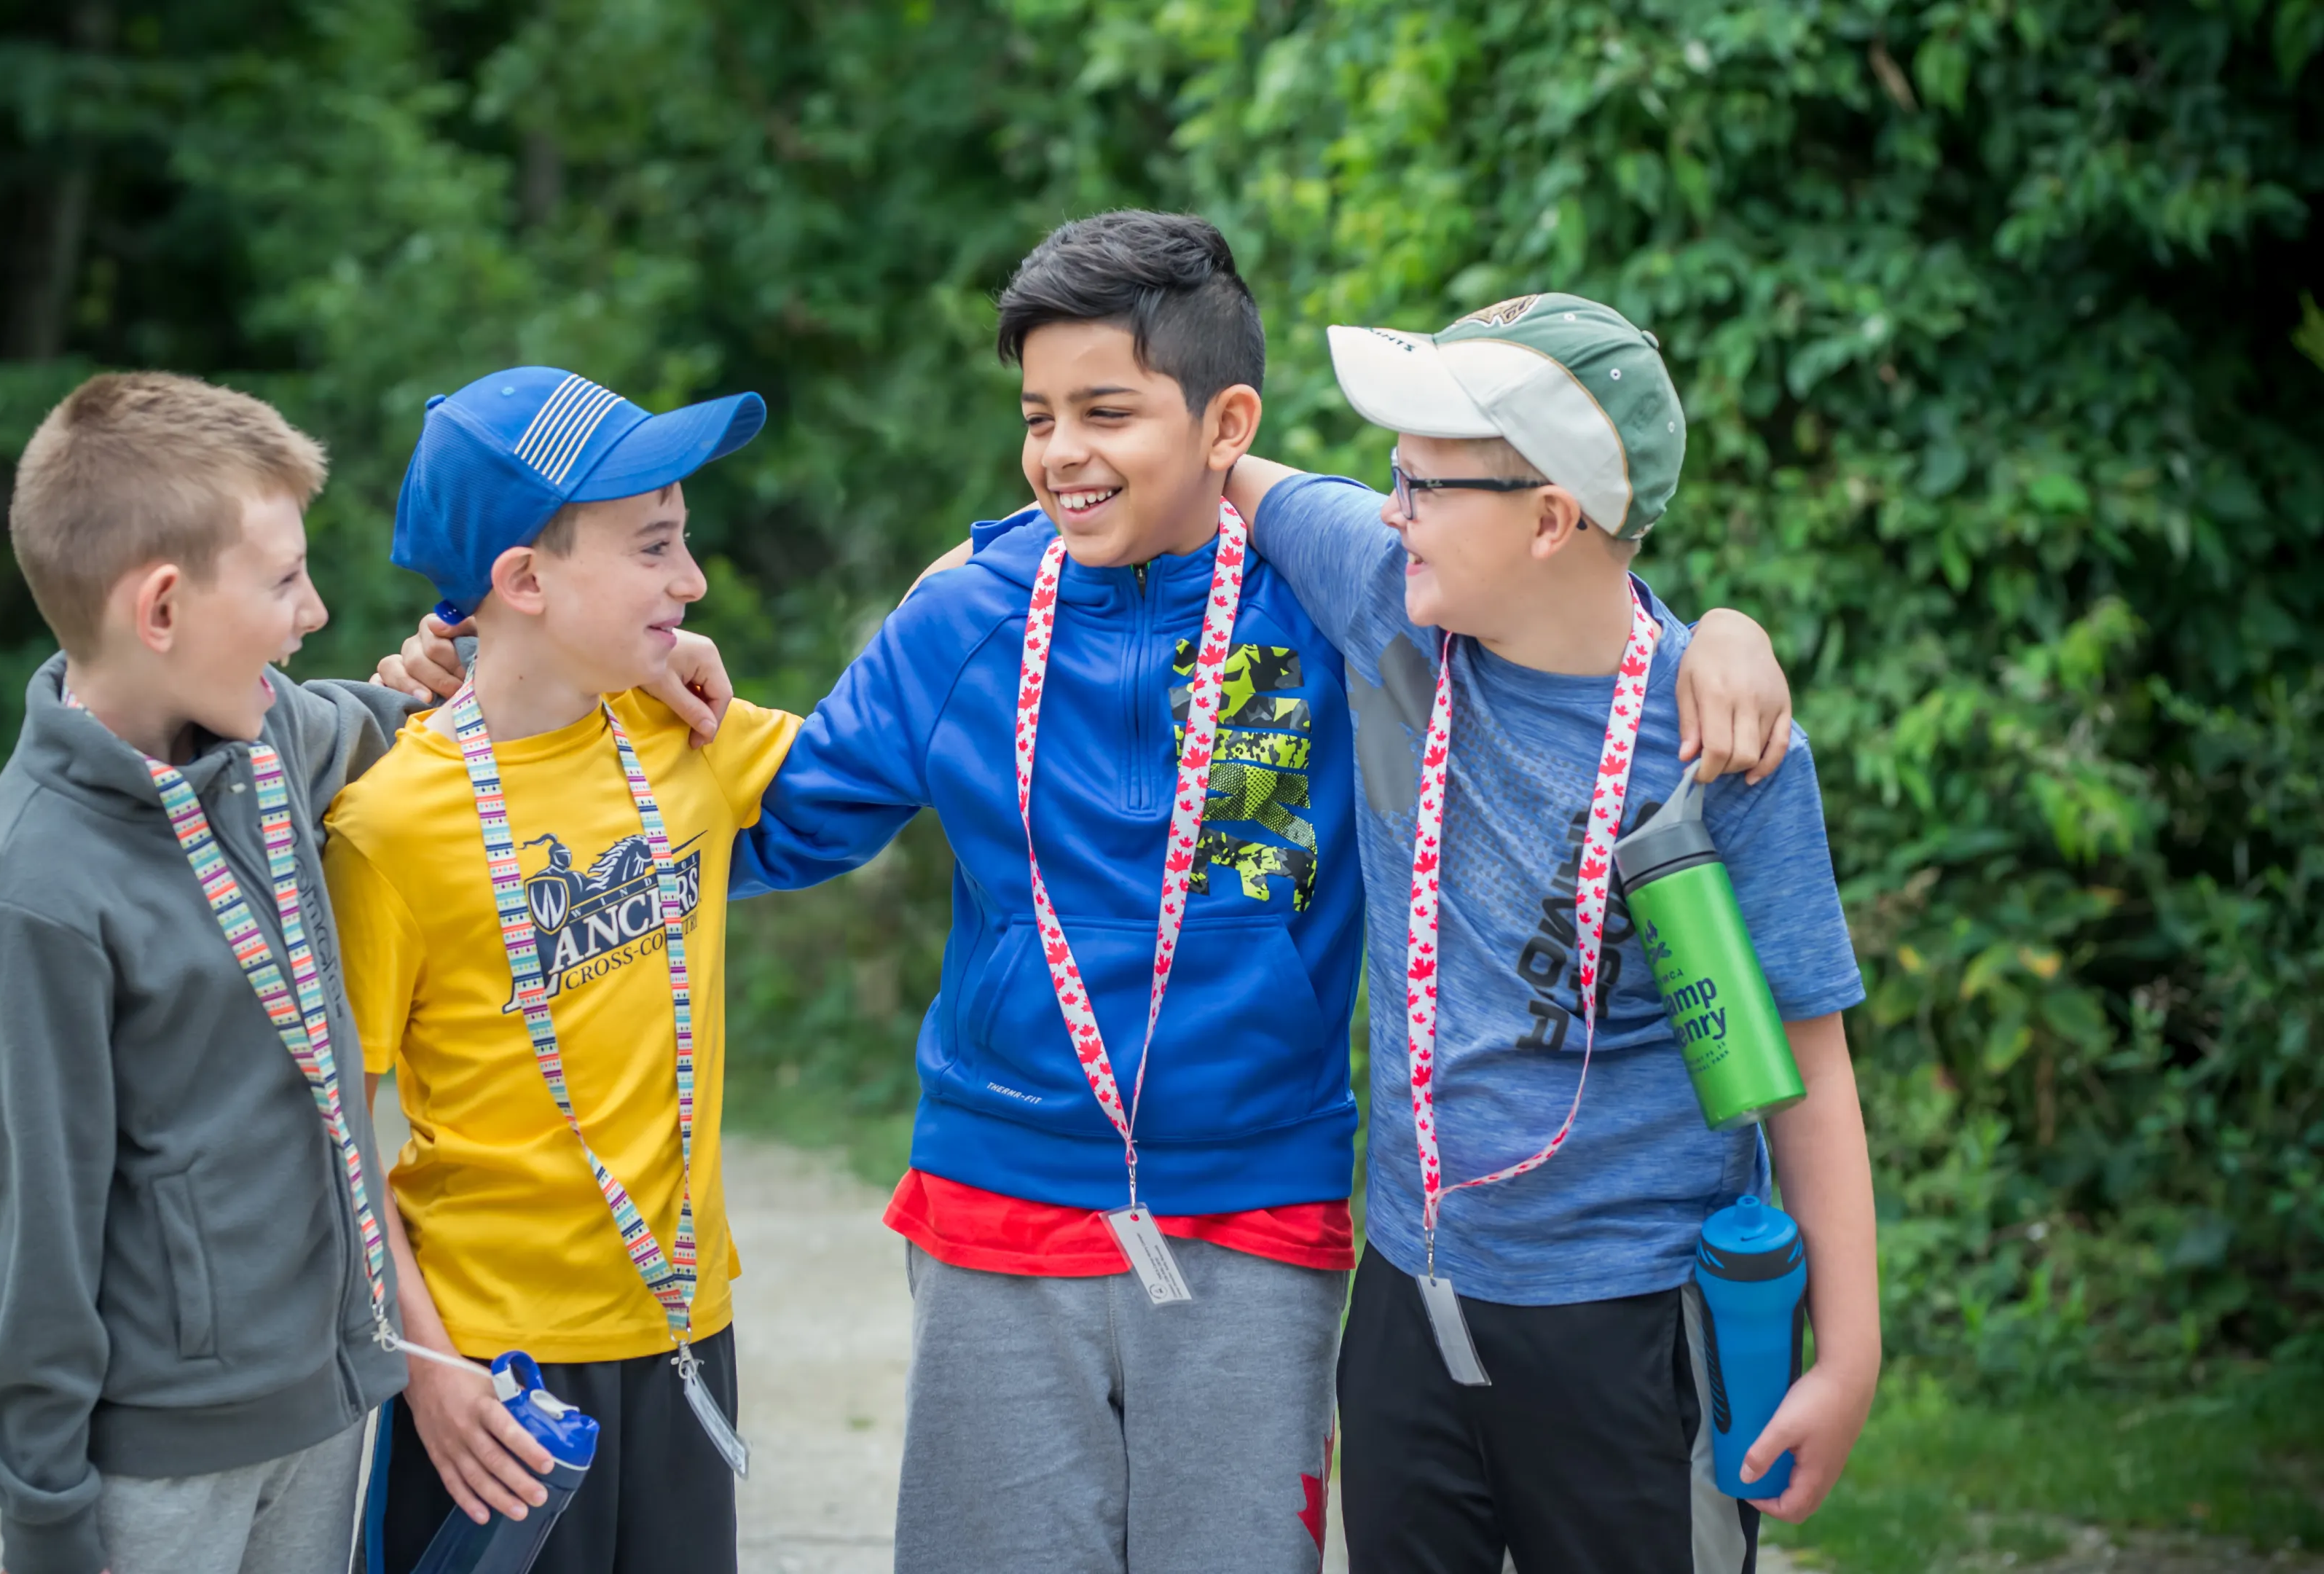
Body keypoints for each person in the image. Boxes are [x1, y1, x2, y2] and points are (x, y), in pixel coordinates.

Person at [372, 216, 1794, 1574]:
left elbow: (1551, 597)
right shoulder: (966, 614)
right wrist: (498, 697)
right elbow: (749, 825)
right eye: (1039, 417)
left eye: (1106, 413)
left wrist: (1713, 633)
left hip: (1257, 1210)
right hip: (998, 1203)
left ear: (1226, 427)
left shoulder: (1347, 602)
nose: (1063, 452)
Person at [0, 371, 728, 1574]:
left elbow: (420, 707)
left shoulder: (270, 743)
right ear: (160, 608)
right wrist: (47, 1529)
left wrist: (632, 643)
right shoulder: (29, 896)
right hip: (164, 1459)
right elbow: (38, 1256)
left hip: (326, 1409)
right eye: (283, 582)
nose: (313, 612)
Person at [1222, 294, 1880, 1574]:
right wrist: (983, 558)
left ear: (1550, 517)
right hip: (1409, 1301)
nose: (1389, 507)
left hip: (1631, 1327)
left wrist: (1848, 1355)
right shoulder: (1393, 600)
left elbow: (1811, 1067)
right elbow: (1213, 460)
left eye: (1421, 481)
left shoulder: (1723, 754)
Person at [323, 368, 800, 1574]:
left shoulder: (680, 726)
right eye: (654, 548)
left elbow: (891, 745)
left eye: (683, 543)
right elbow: (332, 1131)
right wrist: (423, 1369)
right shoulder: (387, 823)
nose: (691, 585)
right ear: (524, 582)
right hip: (490, 1377)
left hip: (687, 1325)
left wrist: (998, 571)